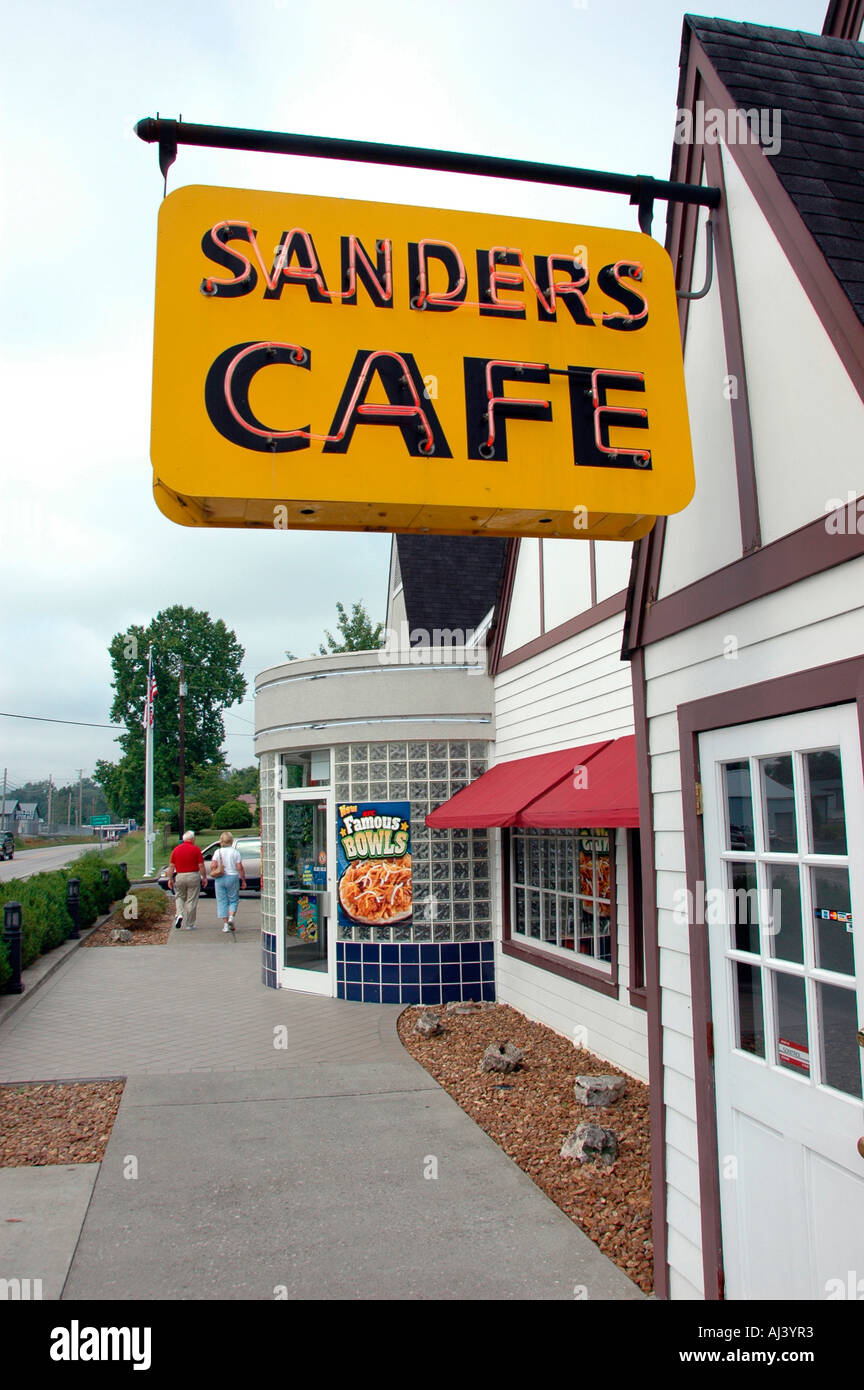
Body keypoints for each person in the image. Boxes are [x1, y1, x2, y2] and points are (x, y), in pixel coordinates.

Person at [168, 830, 207, 930]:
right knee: (191, 899)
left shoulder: (176, 850)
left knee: (179, 896)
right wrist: (204, 877)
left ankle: (179, 914)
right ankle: (190, 923)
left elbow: (172, 866)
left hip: (180, 876)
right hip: (193, 875)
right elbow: (201, 865)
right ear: (192, 839)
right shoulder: (196, 850)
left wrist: (170, 879)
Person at [212, 831, 246, 933]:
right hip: (232, 877)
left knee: (222, 900)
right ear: (231, 840)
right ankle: (231, 917)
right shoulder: (235, 852)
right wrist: (243, 880)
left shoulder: (217, 852)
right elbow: (239, 867)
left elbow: (213, 865)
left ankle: (225, 925)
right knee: (233, 899)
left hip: (220, 878)